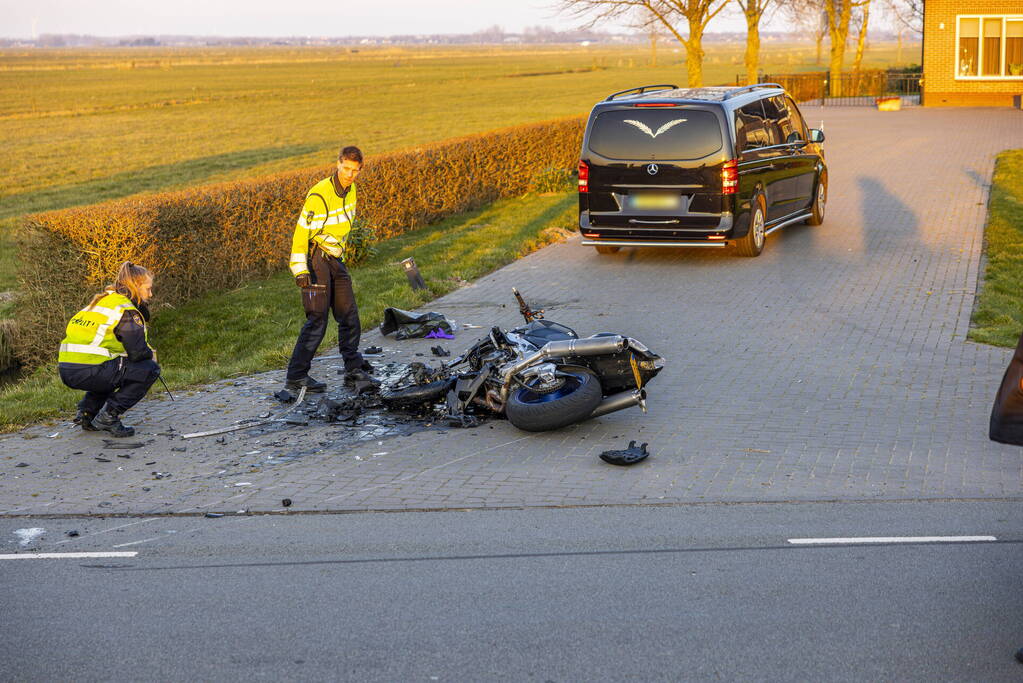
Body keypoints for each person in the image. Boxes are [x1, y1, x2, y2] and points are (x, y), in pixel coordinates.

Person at [285, 145, 376, 393]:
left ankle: (353, 365)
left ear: (360, 170)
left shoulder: (352, 189)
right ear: (338, 164)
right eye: (345, 169)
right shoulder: (320, 194)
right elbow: (301, 233)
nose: (349, 174)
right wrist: (300, 270)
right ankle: (296, 376)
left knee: (348, 313)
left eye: (355, 171)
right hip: (316, 261)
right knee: (317, 319)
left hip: (335, 260)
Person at [58, 261, 161, 438]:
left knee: (113, 370)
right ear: (136, 286)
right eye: (148, 288)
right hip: (89, 369)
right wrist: (151, 355)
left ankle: (87, 414)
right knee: (149, 370)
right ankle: (109, 416)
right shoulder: (125, 309)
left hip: (67, 369)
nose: (150, 294)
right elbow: (136, 353)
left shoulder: (102, 301)